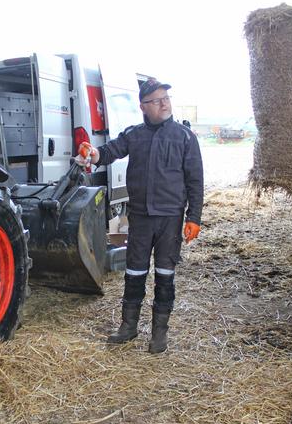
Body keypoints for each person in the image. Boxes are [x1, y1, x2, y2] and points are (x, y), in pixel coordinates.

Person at [75, 78, 203, 353]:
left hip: (170, 219)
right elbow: (109, 152)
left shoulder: (184, 137)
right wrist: (93, 153)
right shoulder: (134, 135)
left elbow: (195, 181)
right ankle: (128, 327)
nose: (164, 104)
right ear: (143, 106)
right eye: (157, 100)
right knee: (134, 271)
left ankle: (159, 334)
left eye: (166, 98)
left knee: (165, 274)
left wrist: (194, 217)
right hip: (141, 217)